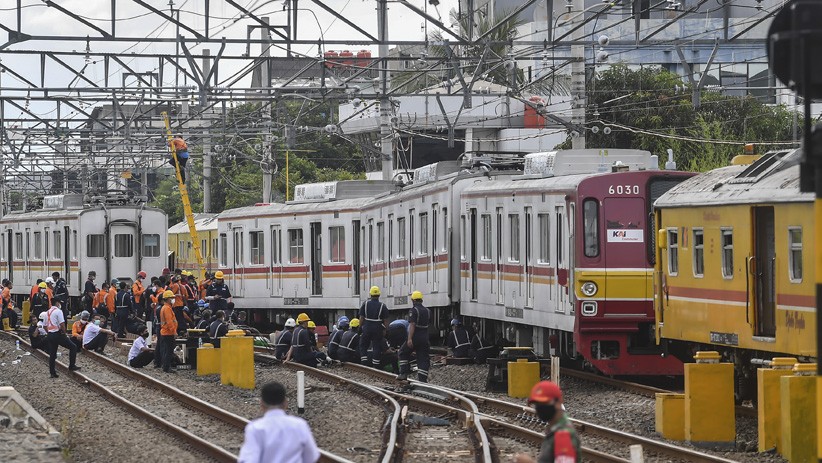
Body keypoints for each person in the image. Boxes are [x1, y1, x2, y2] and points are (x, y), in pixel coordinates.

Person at [237, 381, 320, 463]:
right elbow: (311, 456)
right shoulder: (300, 425)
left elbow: (249, 459)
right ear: (285, 403)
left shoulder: (255, 428)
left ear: (261, 404)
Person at [512, 381, 580, 463]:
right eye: (537, 404)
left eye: (544, 402)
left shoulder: (563, 435)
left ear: (559, 401)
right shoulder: (554, 430)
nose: (540, 407)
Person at [398, 291, 431, 382]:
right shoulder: (428, 311)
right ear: (421, 300)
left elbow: (412, 324)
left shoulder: (413, 310)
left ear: (413, 300)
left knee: (403, 352)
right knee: (423, 358)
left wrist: (409, 339)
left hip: (415, 336)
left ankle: (403, 373)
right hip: (424, 337)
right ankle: (422, 380)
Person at [45, 301, 80, 378]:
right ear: (57, 303)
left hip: (50, 334)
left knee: (52, 354)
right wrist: (64, 333)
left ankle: (52, 372)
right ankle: (72, 365)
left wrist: (49, 332)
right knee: (73, 347)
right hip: (58, 334)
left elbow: (45, 325)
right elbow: (62, 324)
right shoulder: (58, 311)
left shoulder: (47, 312)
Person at [358, 286, 389, 368]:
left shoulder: (365, 304)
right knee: (376, 346)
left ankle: (364, 362)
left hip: (367, 327)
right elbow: (386, 320)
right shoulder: (383, 306)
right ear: (379, 295)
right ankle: (376, 364)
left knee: (363, 344)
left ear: (370, 295)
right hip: (377, 328)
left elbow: (361, 318)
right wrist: (386, 330)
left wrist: (360, 327)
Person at [158, 289, 178, 373]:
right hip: (168, 333)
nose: (173, 299)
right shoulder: (167, 309)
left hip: (166, 332)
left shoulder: (166, 307)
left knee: (167, 350)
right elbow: (169, 322)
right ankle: (167, 367)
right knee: (169, 351)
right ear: (168, 299)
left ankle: (166, 366)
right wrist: (174, 332)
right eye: (171, 298)